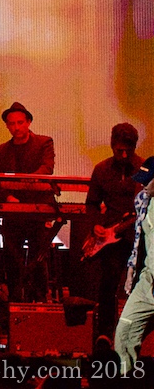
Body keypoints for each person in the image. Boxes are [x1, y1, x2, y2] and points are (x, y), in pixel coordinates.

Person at [0, 101, 56, 302]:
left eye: (20, 122)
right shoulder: (2, 150)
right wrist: (8, 197)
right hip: (13, 213)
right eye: (12, 124)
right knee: (12, 259)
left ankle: (40, 302)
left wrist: (25, 183)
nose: (16, 127)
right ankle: (14, 302)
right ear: (7, 126)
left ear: (28, 122)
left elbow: (47, 169)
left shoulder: (44, 143)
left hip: (38, 210)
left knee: (39, 258)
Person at [84, 123, 143, 340]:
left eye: (129, 150)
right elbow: (92, 203)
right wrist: (96, 224)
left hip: (140, 237)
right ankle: (105, 334)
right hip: (111, 237)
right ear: (112, 146)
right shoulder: (102, 169)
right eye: (120, 150)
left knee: (140, 286)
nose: (124, 155)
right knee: (108, 284)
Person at [114, 156, 154, 373]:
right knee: (124, 334)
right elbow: (139, 237)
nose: (143, 185)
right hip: (148, 281)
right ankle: (125, 378)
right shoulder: (142, 200)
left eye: (148, 181)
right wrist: (131, 270)